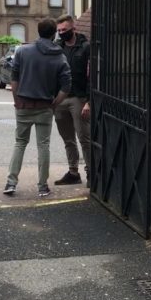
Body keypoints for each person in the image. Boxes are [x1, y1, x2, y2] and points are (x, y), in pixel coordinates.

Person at [3, 19, 71, 197]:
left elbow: (14, 77)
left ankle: (11, 182)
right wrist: (55, 103)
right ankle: (42, 186)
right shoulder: (60, 56)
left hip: (24, 104)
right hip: (45, 106)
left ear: (38, 32)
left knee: (20, 143)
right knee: (43, 146)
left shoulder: (23, 51)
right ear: (53, 33)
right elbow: (66, 86)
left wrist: (17, 100)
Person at [52, 15, 92, 187]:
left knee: (84, 137)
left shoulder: (85, 47)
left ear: (73, 29)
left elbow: (92, 77)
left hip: (78, 97)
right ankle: (73, 172)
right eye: (59, 30)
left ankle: (92, 172)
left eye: (65, 30)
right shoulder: (57, 47)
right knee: (68, 139)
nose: (62, 33)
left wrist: (89, 102)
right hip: (60, 99)